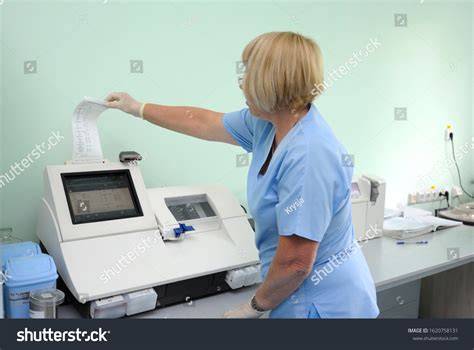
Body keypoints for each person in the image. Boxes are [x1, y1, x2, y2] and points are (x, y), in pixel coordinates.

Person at [105, 31, 379, 319]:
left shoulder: (310, 155)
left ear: (270, 83)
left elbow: (296, 263)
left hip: (325, 305)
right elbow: (203, 121)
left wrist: (252, 308)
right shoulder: (269, 123)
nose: (241, 83)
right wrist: (137, 108)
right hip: (291, 293)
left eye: (248, 73)